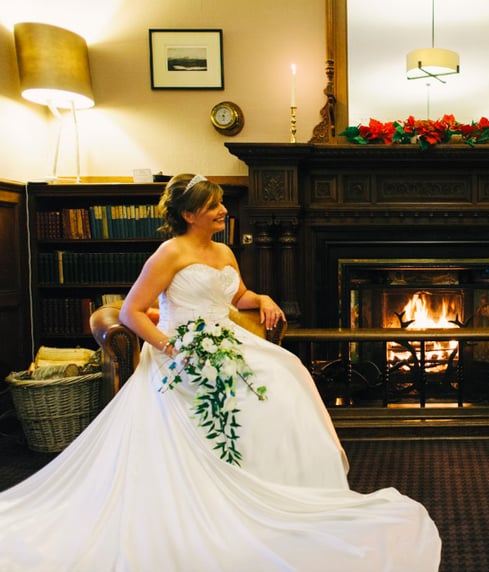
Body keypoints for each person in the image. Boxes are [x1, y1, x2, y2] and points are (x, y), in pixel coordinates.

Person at [0, 174, 441, 570]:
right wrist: (171, 348)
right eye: (213, 206)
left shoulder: (225, 250)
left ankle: (284, 491)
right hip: (180, 351)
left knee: (286, 373)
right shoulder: (169, 253)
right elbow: (133, 311)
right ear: (189, 214)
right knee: (243, 394)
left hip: (225, 339)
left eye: (220, 204)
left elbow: (237, 296)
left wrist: (262, 298)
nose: (223, 210)